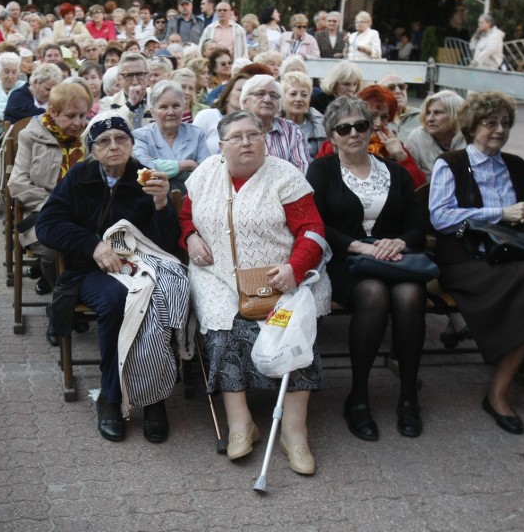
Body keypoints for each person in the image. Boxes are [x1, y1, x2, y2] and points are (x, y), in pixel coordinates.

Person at [181, 110, 330, 470]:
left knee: (292, 336)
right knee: (222, 331)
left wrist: (294, 268)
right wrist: (189, 237)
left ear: (265, 139)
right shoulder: (204, 175)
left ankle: (293, 432)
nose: (246, 141)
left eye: (254, 134)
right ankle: (240, 423)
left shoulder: (284, 176)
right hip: (216, 274)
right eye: (237, 137)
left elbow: (312, 230)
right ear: (221, 145)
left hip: (278, 275)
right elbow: (186, 216)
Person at [35, 113, 186, 444]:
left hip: (142, 267)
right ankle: (111, 397)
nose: (114, 146)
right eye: (104, 141)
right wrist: (93, 245)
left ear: (132, 144)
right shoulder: (80, 176)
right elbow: (47, 224)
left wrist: (161, 204)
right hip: (91, 270)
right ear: (92, 149)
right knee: (120, 302)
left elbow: (167, 245)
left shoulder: (145, 179)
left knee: (158, 299)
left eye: (121, 139)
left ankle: (155, 398)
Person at [429, 91, 524, 434]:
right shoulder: (451, 163)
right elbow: (441, 219)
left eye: (505, 123)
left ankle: (498, 394)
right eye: (490, 122)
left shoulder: (516, 165)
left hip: (510, 258)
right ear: (472, 127)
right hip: (464, 259)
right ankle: (498, 394)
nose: (499, 129)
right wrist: (501, 213)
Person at [307, 96, 427, 441]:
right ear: (332, 136)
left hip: (394, 259)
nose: (354, 133)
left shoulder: (395, 172)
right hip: (346, 261)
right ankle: (358, 396)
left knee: (409, 295)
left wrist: (399, 243)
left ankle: (408, 396)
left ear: (371, 128)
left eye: (361, 125)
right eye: (344, 128)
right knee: (373, 294)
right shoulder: (322, 170)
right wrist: (357, 244)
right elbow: (317, 222)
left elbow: (417, 225)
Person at [7, 80, 93, 306]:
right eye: (71, 116)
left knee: (100, 245)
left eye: (83, 116)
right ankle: (64, 303)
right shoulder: (30, 136)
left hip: (84, 214)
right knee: (53, 252)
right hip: (42, 214)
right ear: (53, 112)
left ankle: (82, 297)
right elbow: (17, 182)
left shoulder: (90, 138)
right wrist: (54, 205)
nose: (78, 123)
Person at [321, 85, 426, 188]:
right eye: (372, 116)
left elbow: (418, 186)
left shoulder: (393, 144)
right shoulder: (340, 141)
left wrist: (401, 157)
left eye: (384, 117)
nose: (378, 123)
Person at [132, 80, 210, 192]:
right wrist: (185, 165)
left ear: (183, 108)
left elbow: (207, 173)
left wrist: (160, 166)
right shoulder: (141, 136)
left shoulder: (197, 134)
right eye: (163, 107)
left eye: (176, 106)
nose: (171, 112)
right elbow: (143, 169)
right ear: (153, 112)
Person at [240, 74, 310, 174]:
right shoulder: (233, 129)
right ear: (245, 101)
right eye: (260, 94)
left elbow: (302, 170)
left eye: (273, 96)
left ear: (279, 104)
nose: (267, 100)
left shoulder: (292, 130)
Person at [405, 90, 465, 179]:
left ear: (455, 115)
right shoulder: (417, 138)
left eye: (437, 113)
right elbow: (412, 180)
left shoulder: (470, 138)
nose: (430, 119)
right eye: (428, 113)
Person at [192, 70, 251, 155]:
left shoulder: (253, 123)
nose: (244, 94)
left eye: (248, 91)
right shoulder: (207, 115)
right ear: (227, 95)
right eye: (240, 89)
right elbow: (192, 148)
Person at [282, 71, 325, 159]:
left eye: (304, 95)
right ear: (283, 97)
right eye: (293, 94)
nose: (299, 99)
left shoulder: (320, 125)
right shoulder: (272, 125)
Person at [377, 74, 420, 142]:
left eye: (401, 87)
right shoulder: (375, 120)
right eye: (391, 88)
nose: (398, 91)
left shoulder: (422, 117)